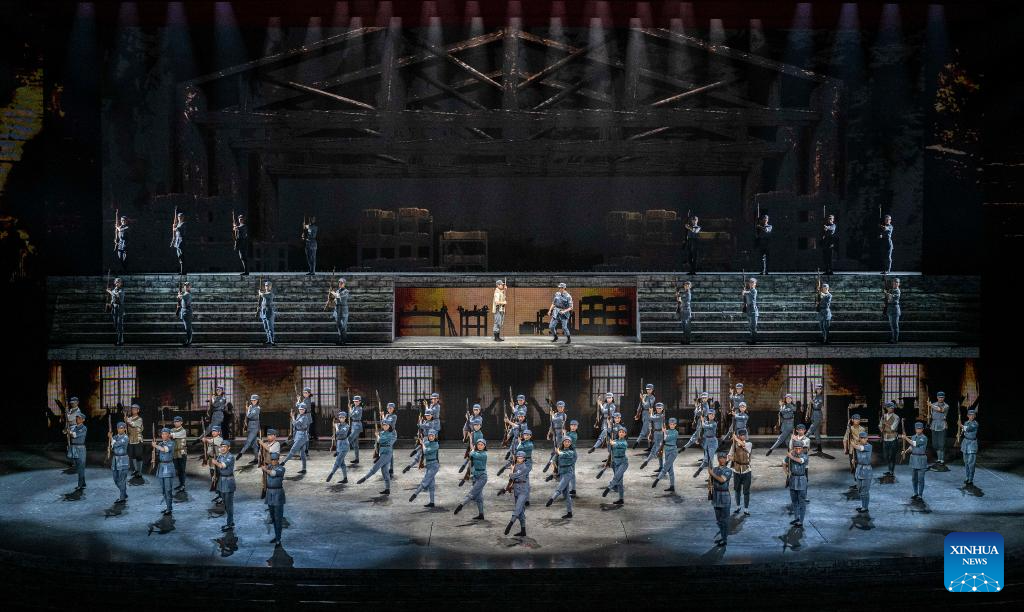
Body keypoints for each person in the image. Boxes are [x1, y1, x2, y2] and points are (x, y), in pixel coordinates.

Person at [356, 422, 395, 495]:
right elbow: (377, 442)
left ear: (389, 426)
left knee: (376, 467)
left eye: (386, 425)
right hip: (382, 452)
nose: (384, 426)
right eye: (383, 425)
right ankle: (387, 489)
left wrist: (377, 436)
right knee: (385, 472)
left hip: (387, 453)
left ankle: (365, 478)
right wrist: (376, 447)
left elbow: (381, 440)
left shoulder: (390, 434)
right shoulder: (382, 433)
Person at [455, 438, 488, 520]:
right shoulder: (475, 452)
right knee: (479, 498)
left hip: (482, 478)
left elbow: (472, 453)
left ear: (484, 446)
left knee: (471, 493)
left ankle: (461, 505)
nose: (480, 446)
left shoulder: (483, 455)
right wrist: (470, 438)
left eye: (482, 445)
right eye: (478, 444)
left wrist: (472, 450)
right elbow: (470, 458)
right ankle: (481, 515)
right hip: (475, 477)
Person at [545, 435, 576, 518]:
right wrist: (553, 469)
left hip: (568, 473)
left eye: (569, 442)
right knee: (566, 495)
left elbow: (564, 455)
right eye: (565, 441)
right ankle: (569, 513)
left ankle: (552, 499)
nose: (567, 443)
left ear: (570, 443)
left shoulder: (571, 452)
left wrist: (558, 452)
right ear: (563, 442)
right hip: (561, 472)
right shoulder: (559, 451)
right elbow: (554, 461)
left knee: (560, 487)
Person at [409, 430, 440, 506]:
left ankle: (415, 494)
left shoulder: (436, 445)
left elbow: (425, 451)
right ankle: (432, 503)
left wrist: (422, 443)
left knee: (425, 481)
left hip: (434, 465)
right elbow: (421, 446)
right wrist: (416, 449)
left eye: (432, 436)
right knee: (431, 485)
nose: (431, 437)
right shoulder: (427, 443)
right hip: (428, 465)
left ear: (435, 437)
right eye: (429, 436)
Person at [503, 451, 530, 537]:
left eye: (521, 458)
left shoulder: (525, 467)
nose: (519, 459)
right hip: (516, 489)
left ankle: (510, 524)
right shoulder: (515, 465)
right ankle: (523, 530)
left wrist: (511, 470)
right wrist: (508, 488)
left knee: (517, 508)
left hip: (523, 490)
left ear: (524, 459)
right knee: (521, 512)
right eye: (518, 457)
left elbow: (512, 476)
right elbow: (512, 480)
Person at [710, 451, 734, 546]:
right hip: (716, 496)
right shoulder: (714, 469)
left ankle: (724, 539)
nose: (723, 460)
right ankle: (722, 537)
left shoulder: (728, 470)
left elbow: (722, 480)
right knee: (719, 520)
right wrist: (710, 485)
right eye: (721, 458)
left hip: (724, 497)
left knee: (725, 520)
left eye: (724, 458)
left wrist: (711, 473)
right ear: (718, 459)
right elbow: (711, 482)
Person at [263, 452, 286, 544]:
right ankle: (276, 536)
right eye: (272, 460)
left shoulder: (281, 468)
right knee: (272, 517)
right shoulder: (269, 466)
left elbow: (273, 473)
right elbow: (263, 464)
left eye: (275, 460)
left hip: (278, 493)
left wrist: (265, 469)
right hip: (269, 493)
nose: (273, 461)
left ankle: (278, 538)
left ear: (277, 460)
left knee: (278, 518)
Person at [212, 441, 236, 531]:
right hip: (221, 481)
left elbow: (222, 466)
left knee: (229, 505)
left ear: (229, 448)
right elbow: (217, 468)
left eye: (224, 447)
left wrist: (215, 462)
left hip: (228, 482)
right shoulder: (220, 456)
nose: (222, 448)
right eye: (221, 446)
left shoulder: (230, 457)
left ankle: (229, 524)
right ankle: (231, 521)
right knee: (225, 504)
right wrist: (215, 475)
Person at [901, 422, 929, 500]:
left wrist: (905, 438)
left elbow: (914, 444)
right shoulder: (913, 437)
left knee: (920, 479)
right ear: (915, 429)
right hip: (914, 459)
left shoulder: (924, 438)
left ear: (922, 429)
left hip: (921, 459)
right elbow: (911, 447)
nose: (918, 430)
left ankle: (920, 494)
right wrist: (905, 452)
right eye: (917, 429)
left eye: (920, 429)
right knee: (914, 478)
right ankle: (915, 492)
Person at [283, 397, 312, 473]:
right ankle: (304, 469)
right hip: (299, 435)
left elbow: (296, 423)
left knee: (292, 450)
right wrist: (298, 400)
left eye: (302, 409)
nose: (301, 410)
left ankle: (283, 463)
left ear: (305, 410)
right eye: (300, 409)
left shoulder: (304, 417)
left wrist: (292, 417)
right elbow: (295, 425)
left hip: (302, 436)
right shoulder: (299, 415)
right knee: (302, 454)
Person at [602, 428, 629, 505]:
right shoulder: (614, 441)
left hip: (623, 463)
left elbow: (623, 445)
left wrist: (613, 443)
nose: (621, 433)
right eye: (620, 432)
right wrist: (609, 443)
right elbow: (611, 451)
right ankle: (621, 499)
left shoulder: (624, 442)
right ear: (618, 433)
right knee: (620, 482)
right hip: (615, 462)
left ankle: (609, 487)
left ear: (625, 434)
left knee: (617, 477)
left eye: (623, 432)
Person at [152, 427, 176, 515]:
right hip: (161, 467)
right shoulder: (160, 443)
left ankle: (169, 508)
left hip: (168, 467)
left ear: (169, 435)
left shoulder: (171, 443)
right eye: (162, 434)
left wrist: (155, 446)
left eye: (165, 434)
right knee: (163, 490)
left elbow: (165, 450)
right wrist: (153, 457)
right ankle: (168, 506)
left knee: (168, 489)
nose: (164, 435)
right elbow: (157, 453)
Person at [652, 417, 680, 492]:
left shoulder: (676, 432)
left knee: (665, 467)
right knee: (670, 470)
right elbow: (662, 440)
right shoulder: (666, 431)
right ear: (669, 424)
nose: (672, 425)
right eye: (671, 424)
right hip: (667, 450)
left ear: (675, 425)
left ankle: (657, 480)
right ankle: (672, 486)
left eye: (673, 424)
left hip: (673, 451)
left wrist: (664, 432)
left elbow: (667, 438)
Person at [729, 429, 753, 515]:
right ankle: (738, 506)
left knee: (746, 491)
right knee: (737, 490)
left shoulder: (749, 444)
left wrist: (735, 438)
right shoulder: (734, 445)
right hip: (736, 470)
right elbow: (729, 456)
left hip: (746, 471)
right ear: (739, 436)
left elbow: (743, 445)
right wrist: (733, 458)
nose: (743, 436)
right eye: (741, 435)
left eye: (744, 435)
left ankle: (746, 509)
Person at [786, 441, 810, 527]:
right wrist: (787, 473)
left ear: (802, 449)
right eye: (796, 448)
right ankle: (796, 518)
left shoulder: (805, 456)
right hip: (793, 479)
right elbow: (784, 463)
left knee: (802, 501)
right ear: (794, 448)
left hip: (801, 480)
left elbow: (800, 461)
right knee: (794, 501)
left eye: (799, 448)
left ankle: (801, 521)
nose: (798, 450)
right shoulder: (791, 455)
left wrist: (790, 456)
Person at [640, 402, 666, 471]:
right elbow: (651, 422)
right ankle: (661, 467)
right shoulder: (656, 415)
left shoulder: (661, 416)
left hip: (660, 434)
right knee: (659, 451)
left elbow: (651, 418)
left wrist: (650, 412)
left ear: (662, 409)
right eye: (657, 408)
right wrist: (650, 433)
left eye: (660, 408)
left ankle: (647, 461)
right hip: (656, 433)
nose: (658, 409)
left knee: (656, 450)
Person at [326, 410, 351, 483]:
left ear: (345, 418)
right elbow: (337, 435)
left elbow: (340, 432)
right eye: (340, 417)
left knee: (337, 461)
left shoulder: (346, 426)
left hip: (344, 446)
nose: (341, 419)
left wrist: (336, 427)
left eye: (342, 417)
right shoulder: (339, 425)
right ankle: (345, 478)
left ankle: (331, 474)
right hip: (339, 445)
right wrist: (337, 450)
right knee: (342, 463)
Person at [693, 408, 718, 477]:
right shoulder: (706, 422)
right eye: (710, 414)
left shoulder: (714, 424)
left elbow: (704, 426)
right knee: (706, 459)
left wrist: (702, 421)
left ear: (714, 416)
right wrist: (698, 439)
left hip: (713, 442)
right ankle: (700, 470)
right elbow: (703, 432)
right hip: (707, 441)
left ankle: (711, 476)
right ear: (708, 415)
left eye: (712, 414)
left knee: (710, 460)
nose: (711, 416)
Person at [852, 431, 873, 513]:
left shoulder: (869, 446)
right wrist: (854, 460)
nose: (863, 439)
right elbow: (858, 454)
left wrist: (853, 445)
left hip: (866, 471)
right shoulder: (858, 446)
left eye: (865, 438)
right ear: (860, 439)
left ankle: (865, 507)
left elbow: (861, 448)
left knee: (865, 490)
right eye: (862, 438)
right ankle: (863, 505)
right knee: (860, 489)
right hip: (859, 470)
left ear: (867, 438)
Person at [237, 394, 262, 463]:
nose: (253, 401)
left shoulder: (257, 408)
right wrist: (248, 409)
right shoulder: (250, 406)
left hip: (255, 426)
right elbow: (248, 417)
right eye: (252, 400)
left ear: (257, 401)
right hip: (250, 425)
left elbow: (249, 415)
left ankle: (241, 453)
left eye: (255, 400)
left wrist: (247, 410)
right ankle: (256, 459)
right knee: (254, 444)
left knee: (248, 441)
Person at [109, 421, 130, 504]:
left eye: (121, 428)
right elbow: (112, 447)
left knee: (122, 479)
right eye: (118, 428)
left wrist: (111, 438)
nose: (119, 430)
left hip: (123, 460)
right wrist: (111, 441)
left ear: (124, 429)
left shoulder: (125, 437)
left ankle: (122, 498)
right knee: (115, 479)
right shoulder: (115, 437)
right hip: (115, 460)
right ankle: (124, 493)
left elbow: (116, 444)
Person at [879, 401, 900, 477]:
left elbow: (893, 428)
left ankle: (891, 471)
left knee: (892, 455)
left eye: (893, 407)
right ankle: (889, 469)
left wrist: (885, 424)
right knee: (886, 456)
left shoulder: (896, 417)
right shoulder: (883, 416)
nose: (892, 409)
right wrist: (882, 429)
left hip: (893, 438)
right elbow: (880, 425)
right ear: (887, 408)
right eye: (890, 407)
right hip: (885, 438)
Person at [929, 391, 949, 467]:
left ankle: (942, 460)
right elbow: (931, 414)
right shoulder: (933, 404)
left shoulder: (946, 406)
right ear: (937, 397)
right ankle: (938, 459)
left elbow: (941, 410)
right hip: (934, 425)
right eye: (939, 397)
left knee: (941, 443)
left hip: (942, 425)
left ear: (944, 398)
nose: (941, 398)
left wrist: (931, 405)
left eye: (942, 397)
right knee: (935, 444)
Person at [125, 403, 145, 478]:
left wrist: (127, 420)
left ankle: (139, 472)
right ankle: (136, 470)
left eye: (135, 409)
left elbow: (133, 425)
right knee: (133, 455)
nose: (133, 410)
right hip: (131, 439)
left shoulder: (139, 419)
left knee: (138, 456)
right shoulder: (129, 418)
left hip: (137, 438)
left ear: (138, 410)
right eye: (132, 409)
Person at [634, 383, 656, 448]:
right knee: (648, 431)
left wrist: (642, 399)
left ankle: (637, 442)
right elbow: (640, 405)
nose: (648, 390)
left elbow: (647, 405)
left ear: (652, 390)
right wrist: (637, 414)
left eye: (650, 389)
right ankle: (650, 446)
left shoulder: (652, 397)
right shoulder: (644, 396)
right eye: (647, 389)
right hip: (644, 413)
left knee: (646, 429)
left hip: (649, 413)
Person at [961, 409, 979, 486]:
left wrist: (961, 425)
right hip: (965, 443)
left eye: (973, 415)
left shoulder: (975, 423)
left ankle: (971, 479)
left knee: (971, 463)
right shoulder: (966, 422)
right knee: (966, 462)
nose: (972, 416)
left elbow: (969, 428)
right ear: (968, 416)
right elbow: (964, 431)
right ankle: (967, 476)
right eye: (970, 415)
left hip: (972, 444)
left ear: (975, 416)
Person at [170, 415, 188, 492]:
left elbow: (175, 435)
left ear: (181, 422)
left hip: (182, 452)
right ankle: (180, 484)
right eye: (175, 422)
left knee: (182, 469)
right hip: (175, 453)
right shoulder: (172, 430)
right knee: (178, 469)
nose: (176, 423)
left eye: (178, 422)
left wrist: (170, 434)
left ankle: (183, 485)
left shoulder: (183, 431)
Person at [330, 278, 350, 345]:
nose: (340, 284)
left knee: (343, 326)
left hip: (343, 311)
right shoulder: (337, 291)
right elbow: (335, 301)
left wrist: (335, 294)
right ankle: (340, 340)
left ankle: (343, 341)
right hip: (338, 310)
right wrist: (331, 297)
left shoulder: (346, 291)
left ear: (344, 284)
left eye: (342, 283)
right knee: (339, 326)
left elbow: (342, 300)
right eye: (339, 283)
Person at [106, 277, 125, 346]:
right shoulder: (114, 290)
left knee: (119, 325)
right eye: (116, 282)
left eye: (119, 282)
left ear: (121, 283)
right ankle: (119, 339)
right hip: (114, 309)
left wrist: (110, 292)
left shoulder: (121, 290)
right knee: (116, 325)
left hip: (120, 309)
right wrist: (110, 304)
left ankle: (120, 341)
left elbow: (117, 296)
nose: (117, 283)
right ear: (114, 283)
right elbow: (113, 299)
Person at [258, 280, 276, 346]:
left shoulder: (270, 294)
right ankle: (269, 340)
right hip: (263, 311)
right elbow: (263, 301)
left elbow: (263, 295)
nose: (267, 287)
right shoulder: (265, 293)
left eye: (268, 286)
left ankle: (272, 340)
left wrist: (260, 292)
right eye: (266, 285)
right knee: (266, 327)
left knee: (270, 327)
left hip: (269, 311)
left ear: (270, 287)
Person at [807, 384, 825, 453]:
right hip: (814, 414)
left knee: (811, 429)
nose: (819, 390)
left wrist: (812, 401)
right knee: (816, 432)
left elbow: (817, 405)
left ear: (821, 390)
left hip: (818, 414)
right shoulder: (816, 396)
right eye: (817, 389)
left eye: (820, 389)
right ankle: (819, 448)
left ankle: (802, 440)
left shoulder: (820, 397)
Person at [348, 396, 364, 465]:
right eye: (354, 401)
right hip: (353, 424)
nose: (355, 402)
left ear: (359, 402)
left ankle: (340, 452)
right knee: (355, 444)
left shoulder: (359, 408)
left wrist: (350, 409)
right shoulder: (354, 408)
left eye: (357, 401)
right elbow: (350, 415)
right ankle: (357, 459)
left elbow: (352, 415)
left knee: (350, 439)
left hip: (357, 425)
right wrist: (350, 409)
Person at [177, 281, 193, 346]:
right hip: (184, 311)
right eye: (185, 286)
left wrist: (179, 294)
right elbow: (181, 298)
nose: (186, 287)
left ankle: (189, 341)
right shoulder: (185, 293)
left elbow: (180, 297)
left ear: (190, 287)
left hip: (187, 312)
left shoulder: (187, 294)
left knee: (187, 328)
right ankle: (188, 340)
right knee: (187, 327)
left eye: (187, 286)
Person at [885, 278, 901, 343]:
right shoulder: (891, 290)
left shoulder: (897, 290)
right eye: (894, 282)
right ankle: (894, 338)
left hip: (895, 309)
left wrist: (887, 293)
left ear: (899, 284)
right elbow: (888, 299)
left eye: (897, 282)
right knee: (892, 325)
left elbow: (892, 297)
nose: (895, 284)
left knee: (895, 326)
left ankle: (895, 339)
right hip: (890, 309)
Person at [742, 277, 758, 344]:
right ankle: (751, 339)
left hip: (753, 312)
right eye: (750, 282)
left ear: (755, 284)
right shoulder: (748, 291)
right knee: (750, 327)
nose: (751, 284)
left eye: (752, 282)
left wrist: (744, 292)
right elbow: (746, 300)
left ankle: (753, 340)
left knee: (753, 327)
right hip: (749, 311)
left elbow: (751, 297)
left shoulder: (754, 291)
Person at [171, 211, 187, 275]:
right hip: (177, 242)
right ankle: (182, 271)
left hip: (181, 242)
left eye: (181, 216)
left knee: (182, 256)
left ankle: (184, 271)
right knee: (179, 257)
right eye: (178, 217)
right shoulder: (178, 224)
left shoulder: (183, 224)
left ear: (183, 217)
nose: (179, 218)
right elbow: (175, 232)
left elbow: (176, 229)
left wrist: (174, 227)